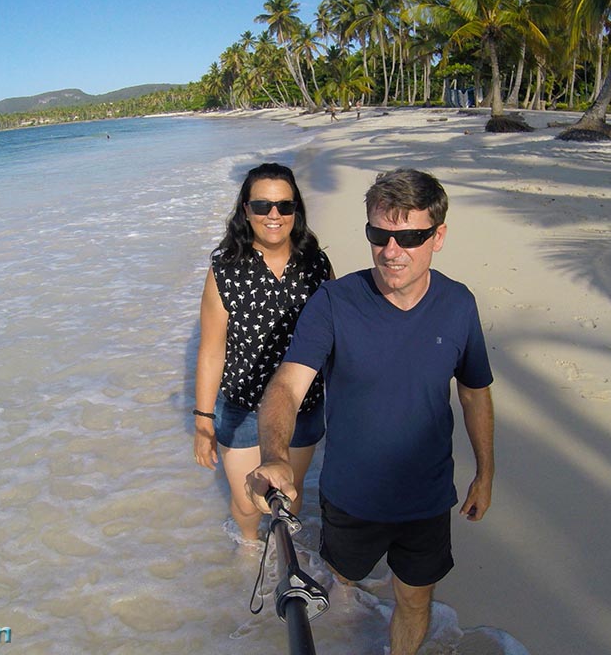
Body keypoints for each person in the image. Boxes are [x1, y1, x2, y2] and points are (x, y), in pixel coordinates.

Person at [247, 168, 495, 655]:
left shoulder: (459, 305)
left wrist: (485, 474)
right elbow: (286, 388)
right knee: (342, 578)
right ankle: (352, 593)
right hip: (351, 499)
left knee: (415, 601)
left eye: (409, 236)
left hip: (426, 501)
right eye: (378, 234)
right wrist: (275, 455)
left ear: (438, 236)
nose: (391, 250)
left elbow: (474, 393)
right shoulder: (334, 303)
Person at [193, 162, 333, 543]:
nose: (274, 215)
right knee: (247, 500)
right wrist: (203, 420)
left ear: (295, 210)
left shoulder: (316, 265)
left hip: (301, 406)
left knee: (290, 491)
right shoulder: (225, 269)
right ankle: (250, 546)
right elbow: (211, 350)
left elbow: (334, 341)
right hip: (241, 405)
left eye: (284, 206)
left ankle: (284, 546)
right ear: (246, 211)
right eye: (262, 206)